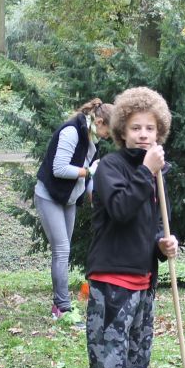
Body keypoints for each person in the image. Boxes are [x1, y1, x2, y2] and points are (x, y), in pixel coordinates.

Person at [83, 87, 178, 368]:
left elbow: (146, 227)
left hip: (143, 281)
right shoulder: (110, 168)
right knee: (111, 362)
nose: (143, 134)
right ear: (122, 130)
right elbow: (120, 209)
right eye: (136, 127)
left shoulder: (155, 176)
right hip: (111, 283)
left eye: (150, 128)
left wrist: (162, 245)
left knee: (137, 360)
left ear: (159, 132)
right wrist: (147, 171)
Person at [35, 97, 114, 322]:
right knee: (61, 250)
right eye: (108, 131)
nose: (109, 136)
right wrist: (88, 172)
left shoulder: (93, 139)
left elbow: (90, 175)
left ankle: (59, 304)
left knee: (64, 249)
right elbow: (60, 169)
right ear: (99, 122)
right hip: (49, 196)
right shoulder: (72, 132)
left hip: (69, 199)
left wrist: (94, 196)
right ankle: (62, 308)